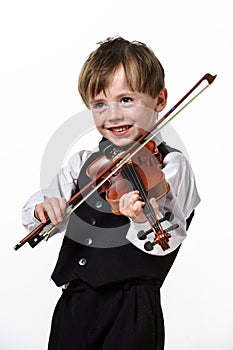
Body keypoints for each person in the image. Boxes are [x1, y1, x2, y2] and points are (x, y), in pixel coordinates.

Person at [22, 36, 200, 350]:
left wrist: (143, 218)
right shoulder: (84, 164)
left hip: (132, 309)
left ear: (160, 101)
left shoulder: (170, 165)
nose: (113, 115)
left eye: (126, 100)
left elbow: (166, 240)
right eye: (100, 104)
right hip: (75, 301)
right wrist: (43, 208)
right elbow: (43, 209)